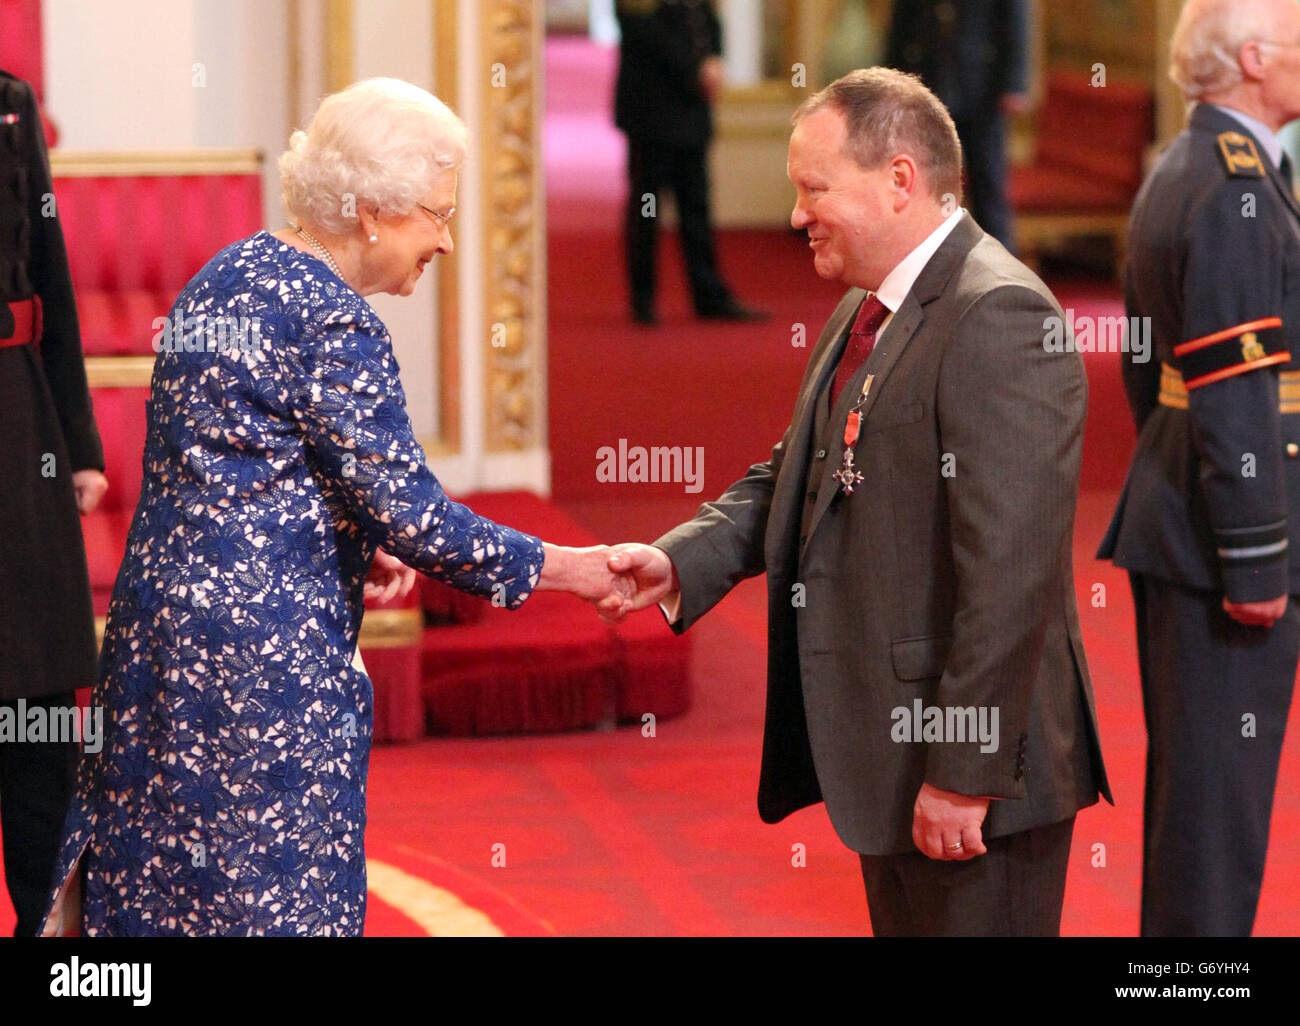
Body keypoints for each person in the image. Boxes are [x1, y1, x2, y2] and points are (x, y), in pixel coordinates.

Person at [37, 78, 632, 937]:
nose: (448, 240)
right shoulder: (333, 320)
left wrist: (349, 524)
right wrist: (572, 568)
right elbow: (418, 518)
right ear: (369, 212)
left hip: (159, 645)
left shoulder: (226, 273)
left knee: (161, 892)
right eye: (434, 214)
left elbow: (236, 465)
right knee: (271, 903)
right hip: (262, 673)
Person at [605, 68, 1111, 936]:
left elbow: (1009, 579)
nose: (798, 214)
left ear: (900, 180)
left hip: (976, 781)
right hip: (892, 750)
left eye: (814, 189)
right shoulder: (866, 306)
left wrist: (963, 772)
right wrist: (681, 558)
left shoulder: (1000, 318)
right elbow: (801, 473)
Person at [1097, 0, 1300, 936]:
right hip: (1225, 547)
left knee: (1204, 806)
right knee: (1213, 821)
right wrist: (1257, 560)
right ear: (1257, 59)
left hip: (1191, 511)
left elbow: (1151, 369)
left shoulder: (1200, 164)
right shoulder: (1233, 187)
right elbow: (1225, 390)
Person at [0, 68, 108, 937]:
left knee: (35, 710)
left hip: (16, 418)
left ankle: (50, 934)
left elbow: (50, 270)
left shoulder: (9, 101)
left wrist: (78, 439)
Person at [613, 0, 767, 324]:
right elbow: (643, 32)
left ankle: (708, 294)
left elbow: (707, 21)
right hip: (651, 111)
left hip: (691, 109)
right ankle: (643, 299)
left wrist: (714, 59)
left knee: (696, 207)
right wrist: (694, 67)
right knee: (647, 207)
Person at [884, 0, 1030, 249]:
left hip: (982, 90)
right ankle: (925, 271)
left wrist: (1013, 83)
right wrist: (890, 81)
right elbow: (901, 23)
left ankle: (1005, 278)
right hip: (926, 85)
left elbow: (1015, 21)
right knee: (923, 187)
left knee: (989, 189)